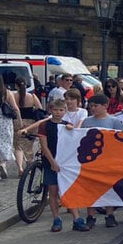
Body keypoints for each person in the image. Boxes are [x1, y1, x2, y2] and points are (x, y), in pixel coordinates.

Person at [35, 99, 89, 232]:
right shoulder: (44, 126)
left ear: (65, 111)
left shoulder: (67, 125)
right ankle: (56, 218)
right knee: (53, 191)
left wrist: (72, 129)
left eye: (61, 110)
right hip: (50, 162)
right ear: (50, 110)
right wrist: (53, 162)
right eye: (55, 110)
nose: (58, 113)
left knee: (68, 190)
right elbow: (44, 146)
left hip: (65, 164)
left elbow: (72, 144)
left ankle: (76, 219)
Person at [81, 94, 123, 228]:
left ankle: (110, 214)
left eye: (96, 106)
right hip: (91, 160)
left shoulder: (114, 121)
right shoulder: (86, 121)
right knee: (90, 188)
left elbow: (121, 140)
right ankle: (91, 215)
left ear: (105, 106)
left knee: (108, 188)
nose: (93, 108)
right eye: (91, 106)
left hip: (108, 159)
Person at [13, 77, 41, 176]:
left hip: (17, 122)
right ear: (26, 84)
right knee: (29, 146)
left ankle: (20, 167)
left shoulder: (13, 96)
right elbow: (39, 108)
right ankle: (29, 165)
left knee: (18, 146)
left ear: (16, 86)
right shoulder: (32, 96)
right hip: (31, 123)